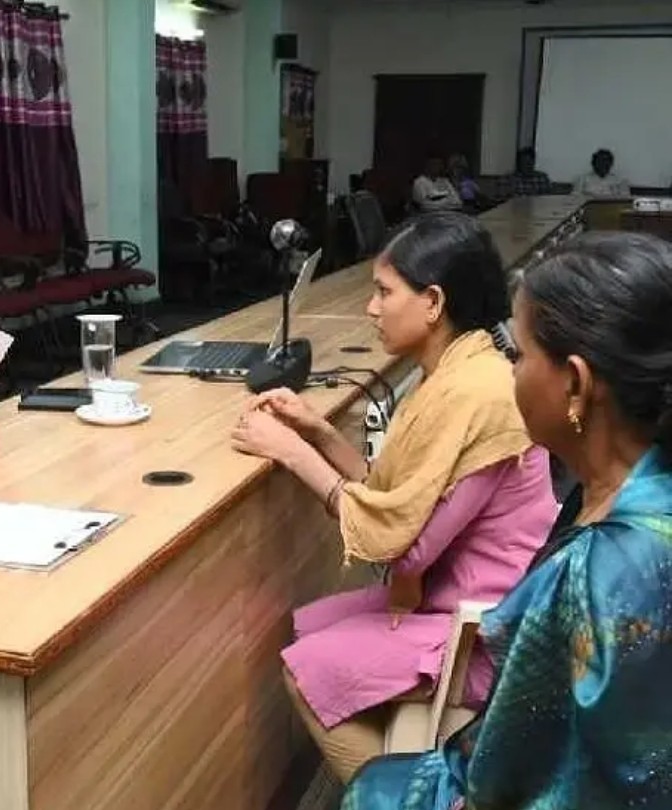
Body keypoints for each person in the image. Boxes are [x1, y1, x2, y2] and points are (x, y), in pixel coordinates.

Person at [343, 231, 672, 809]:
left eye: (519, 355)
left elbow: (507, 780)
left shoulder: (600, 573)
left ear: (575, 383)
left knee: (373, 788)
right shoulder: (625, 490)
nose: (509, 372)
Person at [231, 212, 557, 782]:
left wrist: (292, 454)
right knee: (308, 627)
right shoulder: (454, 372)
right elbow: (392, 495)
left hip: (483, 635)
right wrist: (320, 433)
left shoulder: (477, 395)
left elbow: (406, 546)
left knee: (305, 670)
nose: (371, 308)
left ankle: (408, 795)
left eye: (384, 292)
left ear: (432, 302)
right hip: (452, 602)